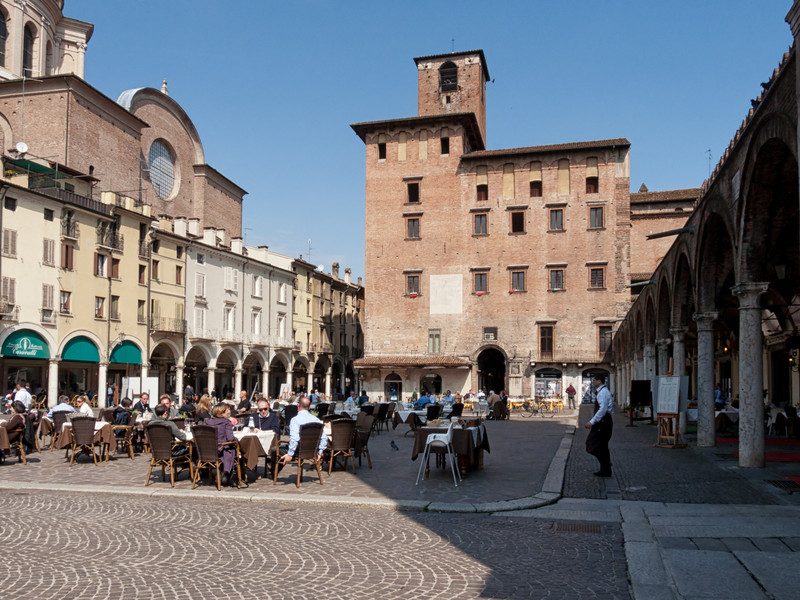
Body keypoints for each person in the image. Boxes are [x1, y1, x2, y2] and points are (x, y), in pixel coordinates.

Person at [281, 396, 327, 466]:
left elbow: (295, 439)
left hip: (299, 451)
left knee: (275, 450)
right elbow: (324, 438)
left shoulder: (295, 420)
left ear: (298, 406)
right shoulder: (316, 420)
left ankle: (274, 472)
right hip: (313, 451)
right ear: (309, 407)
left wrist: (290, 454)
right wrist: (320, 452)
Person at [584, 374, 613, 477]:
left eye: (594, 380)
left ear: (599, 381)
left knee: (591, 443)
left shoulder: (603, 392)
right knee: (602, 446)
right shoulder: (602, 392)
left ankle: (606, 465)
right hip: (603, 421)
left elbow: (603, 409)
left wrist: (592, 422)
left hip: (603, 422)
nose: (592, 382)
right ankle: (605, 469)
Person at [207, 403, 237, 480]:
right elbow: (230, 439)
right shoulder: (226, 423)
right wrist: (236, 440)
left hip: (208, 451)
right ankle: (225, 473)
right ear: (222, 412)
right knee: (235, 448)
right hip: (221, 450)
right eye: (228, 410)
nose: (229, 412)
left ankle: (214, 471)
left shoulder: (208, 422)